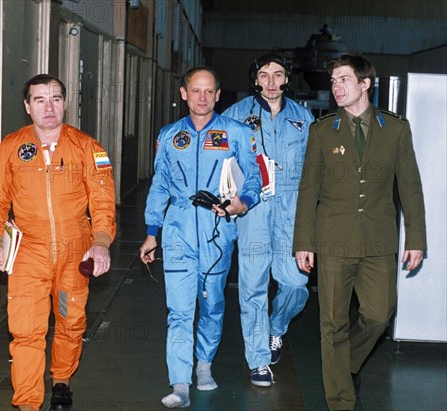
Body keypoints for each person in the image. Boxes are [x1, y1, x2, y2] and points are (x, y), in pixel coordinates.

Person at [293, 54, 426, 411]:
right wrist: (303, 242)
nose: (336, 87)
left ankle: (346, 363)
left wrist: (415, 238)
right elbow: (308, 190)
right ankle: (341, 401)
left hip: (379, 241)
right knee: (332, 324)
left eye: (344, 80)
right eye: (334, 81)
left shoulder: (396, 128)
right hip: (333, 240)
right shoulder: (322, 131)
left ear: (365, 84)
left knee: (380, 314)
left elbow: (410, 187)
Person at [0, 74, 116, 411]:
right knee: (26, 329)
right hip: (28, 252)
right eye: (39, 100)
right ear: (27, 106)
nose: (49, 107)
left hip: (74, 252)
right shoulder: (11, 148)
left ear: (65, 103)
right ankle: (27, 402)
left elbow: (102, 202)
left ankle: (61, 380)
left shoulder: (88, 147)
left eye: (56, 98)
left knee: (70, 321)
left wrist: (100, 242)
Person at [139, 67, 262, 408]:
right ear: (184, 93)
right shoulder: (169, 136)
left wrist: (241, 203)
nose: (202, 98)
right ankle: (179, 383)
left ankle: (204, 364)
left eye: (209, 91)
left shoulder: (236, 132)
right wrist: (153, 233)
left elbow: (253, 176)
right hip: (178, 230)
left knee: (211, 305)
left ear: (218, 95)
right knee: (179, 311)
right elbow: (160, 184)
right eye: (196, 91)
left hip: (217, 231)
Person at [222, 53, 314, 387]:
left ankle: (277, 327)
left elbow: (312, 171)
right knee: (253, 289)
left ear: (287, 78)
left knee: (296, 284)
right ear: (255, 79)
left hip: (290, 211)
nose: (271, 82)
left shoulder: (303, 119)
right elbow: (221, 160)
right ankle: (258, 360)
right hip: (253, 211)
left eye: (278, 75)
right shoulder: (236, 114)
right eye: (264, 75)